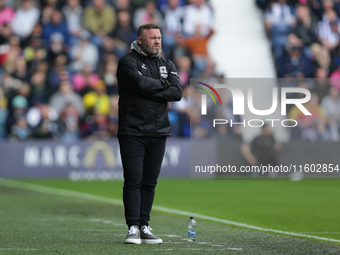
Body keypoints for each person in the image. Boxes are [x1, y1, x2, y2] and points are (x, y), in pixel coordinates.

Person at [116, 23, 182, 244]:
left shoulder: (167, 63)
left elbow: (177, 92)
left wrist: (152, 87)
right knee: (133, 179)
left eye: (159, 38)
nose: (157, 42)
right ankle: (132, 227)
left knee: (150, 182)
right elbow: (138, 83)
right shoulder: (128, 62)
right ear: (141, 40)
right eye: (153, 38)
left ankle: (144, 225)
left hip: (158, 131)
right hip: (132, 131)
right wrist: (162, 86)